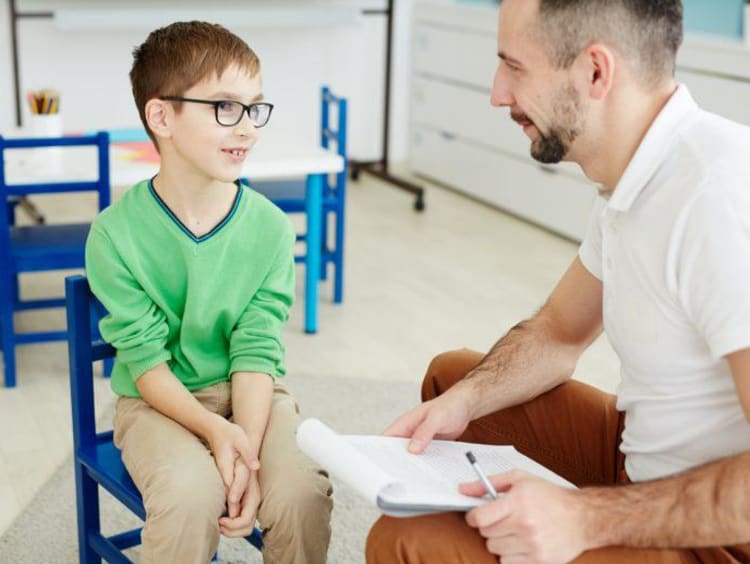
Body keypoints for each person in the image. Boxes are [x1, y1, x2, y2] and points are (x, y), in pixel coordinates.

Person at [366, 0, 750, 562]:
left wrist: (584, 517)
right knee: (451, 382)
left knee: (409, 541)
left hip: (718, 531)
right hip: (643, 462)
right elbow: (558, 333)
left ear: (596, 71)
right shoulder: (637, 172)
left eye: (514, 67)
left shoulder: (717, 199)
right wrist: (467, 398)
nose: (497, 93)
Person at [85, 21, 332, 564]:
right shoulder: (113, 235)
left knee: (300, 491)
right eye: (224, 107)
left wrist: (243, 446)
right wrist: (214, 434)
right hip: (157, 403)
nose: (247, 127)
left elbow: (256, 348)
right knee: (190, 494)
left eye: (254, 108)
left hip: (251, 394)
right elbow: (146, 366)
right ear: (161, 116)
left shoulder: (269, 228)